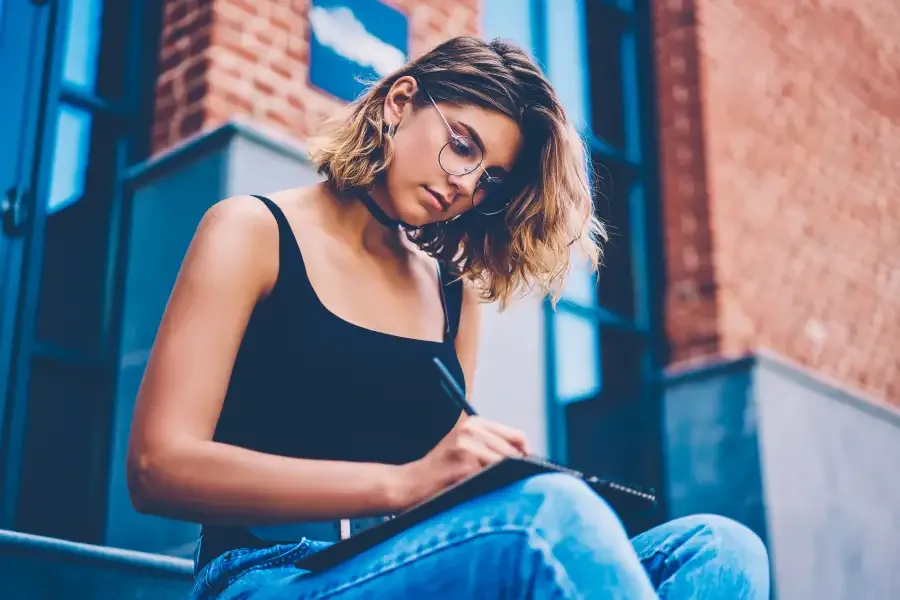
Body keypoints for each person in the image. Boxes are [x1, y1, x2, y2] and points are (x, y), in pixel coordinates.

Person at [126, 36, 769, 599]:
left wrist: (479, 470)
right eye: (462, 146)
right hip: (265, 574)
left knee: (720, 548)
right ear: (399, 101)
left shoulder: (449, 289)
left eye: (490, 179)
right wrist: (401, 485)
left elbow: (442, 487)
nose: (466, 185)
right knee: (549, 516)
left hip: (415, 566)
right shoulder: (252, 230)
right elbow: (157, 469)